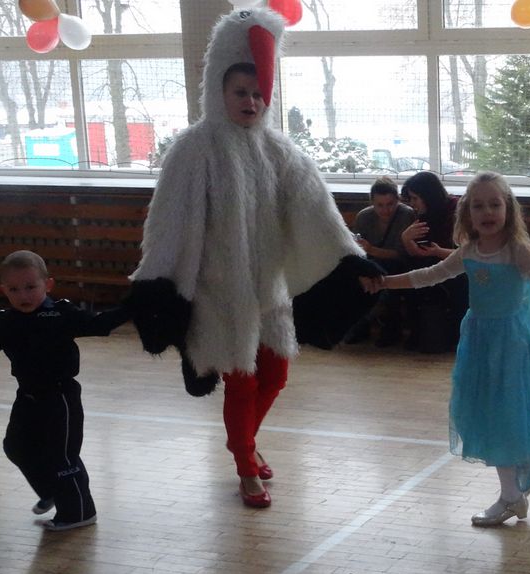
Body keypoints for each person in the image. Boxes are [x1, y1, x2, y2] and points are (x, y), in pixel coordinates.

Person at [127, 7, 383, 509]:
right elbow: (169, 220)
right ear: (218, 92)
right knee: (240, 382)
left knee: (276, 376)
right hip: (218, 293)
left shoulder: (280, 150)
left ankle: (241, 442)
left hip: (270, 290)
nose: (250, 101)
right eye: (240, 92)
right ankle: (246, 465)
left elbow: (315, 209)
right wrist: (157, 281)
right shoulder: (194, 149)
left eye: (258, 93)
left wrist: (349, 258)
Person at [381, 172, 530, 526]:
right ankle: (513, 489)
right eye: (478, 206)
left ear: (508, 209)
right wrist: (384, 282)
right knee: (485, 412)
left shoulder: (517, 251)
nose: (487, 212)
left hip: (511, 344)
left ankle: (512, 493)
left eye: (494, 204)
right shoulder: (469, 251)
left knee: (505, 413)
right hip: (478, 341)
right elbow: (431, 275)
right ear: (467, 214)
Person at [0, 251, 128, 531]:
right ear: (3, 290)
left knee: (62, 456)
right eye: (14, 289)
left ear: (47, 285)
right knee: (16, 446)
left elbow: (99, 324)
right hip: (27, 397)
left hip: (60, 397)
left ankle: (79, 512)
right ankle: (51, 489)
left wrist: (133, 306)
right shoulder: (5, 322)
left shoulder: (61, 313)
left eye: (30, 287)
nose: (23, 295)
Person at [397, 171, 468, 352]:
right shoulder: (425, 213)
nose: (412, 204)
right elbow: (417, 252)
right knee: (411, 273)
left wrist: (438, 252)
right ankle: (419, 332)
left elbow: (470, 254)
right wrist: (406, 239)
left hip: (459, 268)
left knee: (457, 283)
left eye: (415, 198)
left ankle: (454, 335)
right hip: (435, 263)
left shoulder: (457, 211)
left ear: (428, 196)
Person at [345, 176, 417, 346]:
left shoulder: (406, 215)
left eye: (390, 204)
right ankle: (361, 324)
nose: (386, 210)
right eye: (380, 205)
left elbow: (403, 255)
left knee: (389, 274)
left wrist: (371, 250)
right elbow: (355, 251)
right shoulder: (364, 217)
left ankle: (388, 326)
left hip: (397, 265)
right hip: (370, 263)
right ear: (372, 203)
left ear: (398, 200)